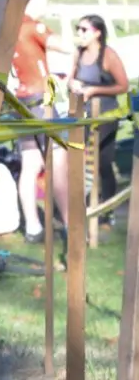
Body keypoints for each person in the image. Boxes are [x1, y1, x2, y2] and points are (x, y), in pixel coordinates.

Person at [11, 0, 70, 244]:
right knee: (57, 160)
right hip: (40, 100)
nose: (48, 1)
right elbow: (67, 46)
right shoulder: (34, 26)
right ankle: (71, 222)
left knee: (31, 163)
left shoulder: (11, 26)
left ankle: (32, 226)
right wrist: (66, 21)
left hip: (21, 100)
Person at [69, 14, 128, 224]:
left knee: (103, 163)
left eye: (84, 30)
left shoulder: (108, 56)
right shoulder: (79, 53)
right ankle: (79, 206)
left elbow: (123, 86)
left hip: (105, 115)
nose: (80, 34)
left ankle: (108, 209)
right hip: (82, 115)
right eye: (78, 29)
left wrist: (94, 90)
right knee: (77, 160)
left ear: (97, 33)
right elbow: (71, 78)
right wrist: (72, 85)